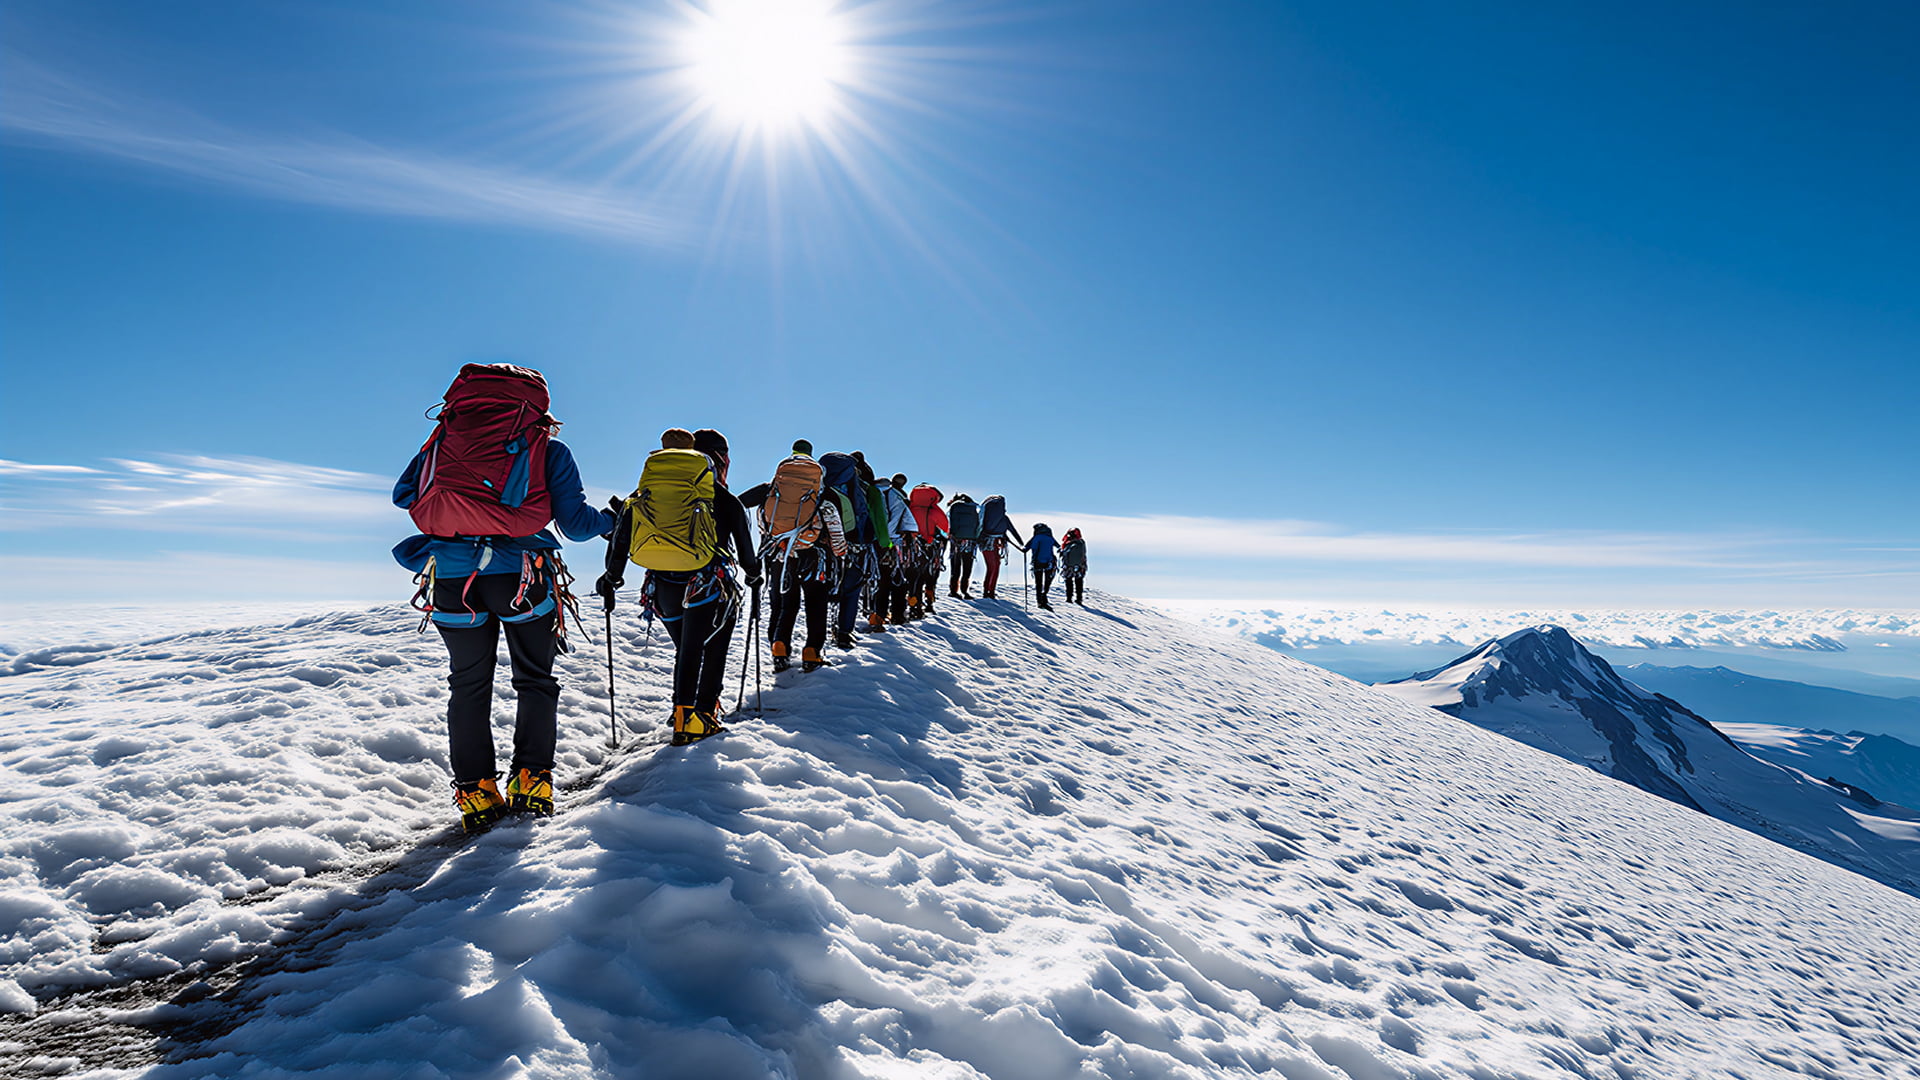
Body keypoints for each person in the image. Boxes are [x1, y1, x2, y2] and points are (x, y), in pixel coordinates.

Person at [393, 364, 615, 832]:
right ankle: (531, 783)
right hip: (521, 576)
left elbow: (404, 495)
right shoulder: (547, 448)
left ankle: (475, 793)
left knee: (468, 684)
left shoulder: (442, 441)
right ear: (538, 408)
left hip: (451, 578)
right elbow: (575, 525)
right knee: (534, 679)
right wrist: (612, 522)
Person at [598, 429, 761, 745]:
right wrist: (754, 575)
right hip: (707, 585)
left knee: (686, 650)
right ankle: (698, 716)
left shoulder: (647, 493)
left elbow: (621, 536)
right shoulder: (720, 496)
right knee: (709, 649)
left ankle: (684, 712)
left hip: (662, 589)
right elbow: (744, 547)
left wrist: (611, 578)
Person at [756, 443, 847, 673]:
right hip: (814, 558)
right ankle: (811, 652)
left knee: (786, 604)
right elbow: (835, 528)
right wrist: (840, 552)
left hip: (781, 556)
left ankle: (779, 646)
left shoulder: (774, 490)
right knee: (816, 605)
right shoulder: (821, 493)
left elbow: (762, 520)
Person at [907, 481, 949, 616]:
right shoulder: (934, 511)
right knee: (929, 576)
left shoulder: (909, 508)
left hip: (910, 548)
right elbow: (945, 530)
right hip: (929, 547)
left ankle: (914, 604)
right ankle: (928, 602)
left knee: (914, 578)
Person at [976, 494, 1025, 601]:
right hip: (997, 543)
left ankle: (986, 591)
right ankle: (991, 591)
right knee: (995, 567)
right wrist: (1022, 544)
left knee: (990, 567)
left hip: (985, 543)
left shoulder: (985, 515)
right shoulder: (1004, 518)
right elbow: (1013, 531)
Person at [947, 494, 980, 598]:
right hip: (970, 541)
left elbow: (948, 525)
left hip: (956, 541)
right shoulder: (972, 508)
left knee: (955, 566)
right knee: (967, 567)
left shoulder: (953, 507)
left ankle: (953, 591)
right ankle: (965, 591)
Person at [1027, 522, 1060, 610]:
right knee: (1047, 580)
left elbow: (1028, 547)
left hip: (1038, 562)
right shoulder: (1050, 537)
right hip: (1050, 561)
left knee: (1038, 582)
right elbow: (1058, 546)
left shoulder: (1036, 537)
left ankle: (1039, 601)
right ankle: (1044, 596)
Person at [1061, 528, 1088, 605]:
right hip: (1080, 565)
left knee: (1068, 580)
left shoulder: (1067, 543)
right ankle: (1079, 598)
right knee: (1079, 581)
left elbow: (1064, 553)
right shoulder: (1081, 542)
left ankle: (1069, 598)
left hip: (1068, 566)